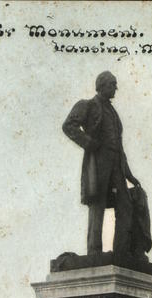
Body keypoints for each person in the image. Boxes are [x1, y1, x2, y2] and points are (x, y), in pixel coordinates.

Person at [62, 71, 142, 258]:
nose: (116, 88)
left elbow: (120, 147)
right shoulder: (88, 105)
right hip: (98, 162)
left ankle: (121, 252)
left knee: (125, 205)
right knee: (97, 204)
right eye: (113, 84)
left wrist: (129, 175)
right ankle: (94, 252)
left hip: (117, 166)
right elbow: (69, 126)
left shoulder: (113, 112)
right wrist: (89, 143)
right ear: (102, 85)